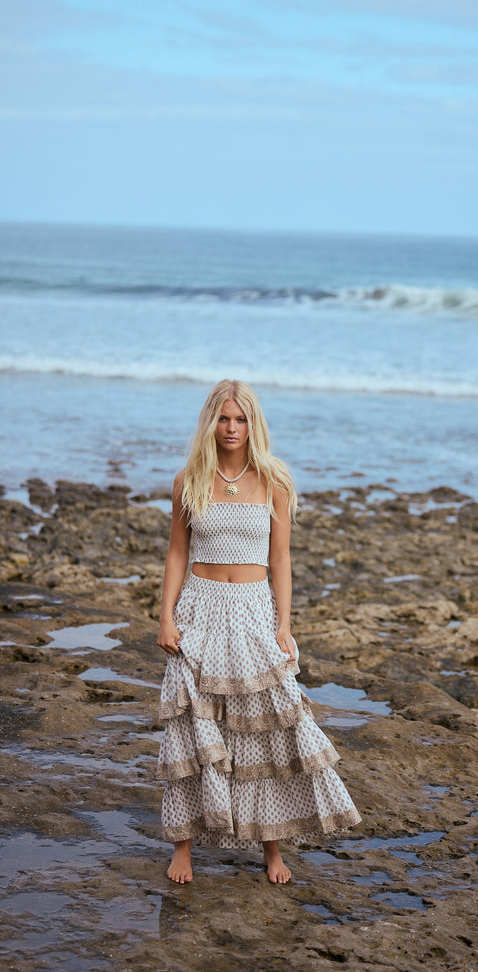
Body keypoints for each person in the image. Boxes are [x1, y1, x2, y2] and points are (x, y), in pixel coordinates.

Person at [156, 379, 361, 884]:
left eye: (241, 419)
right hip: (199, 609)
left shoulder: (275, 482)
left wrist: (283, 625)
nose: (231, 428)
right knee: (193, 725)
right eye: (224, 418)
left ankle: (272, 849)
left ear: (254, 424)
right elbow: (177, 554)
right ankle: (183, 846)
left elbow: (281, 559)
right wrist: (165, 616)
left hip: (252, 610)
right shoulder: (189, 481)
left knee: (264, 727)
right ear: (211, 422)